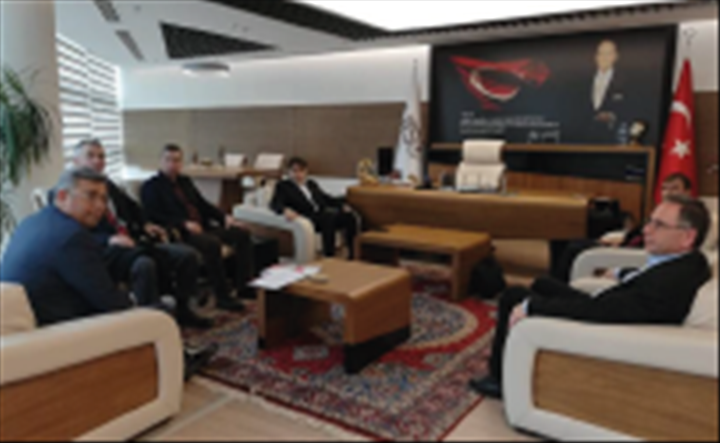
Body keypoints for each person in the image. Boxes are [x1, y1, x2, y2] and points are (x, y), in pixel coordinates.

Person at [470, 194, 712, 399]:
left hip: (600, 323)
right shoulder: (690, 264)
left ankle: (500, 379)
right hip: (607, 304)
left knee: (514, 297)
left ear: (687, 237)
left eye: (659, 225)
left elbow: (604, 312)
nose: (647, 230)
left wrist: (533, 307)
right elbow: (647, 278)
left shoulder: (671, 283)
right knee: (543, 283)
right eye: (650, 221)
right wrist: (622, 273)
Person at [1, 168, 218, 380]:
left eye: (104, 199)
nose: (100, 206)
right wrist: (138, 305)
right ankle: (176, 365)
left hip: (29, 324)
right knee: (161, 310)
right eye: (91, 196)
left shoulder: (31, 222)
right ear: (62, 196)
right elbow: (109, 302)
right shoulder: (71, 236)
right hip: (59, 327)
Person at [50, 139, 212, 329]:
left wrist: (146, 224)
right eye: (91, 156)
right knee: (145, 263)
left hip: (134, 241)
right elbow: (70, 233)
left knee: (186, 255)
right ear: (76, 161)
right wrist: (108, 239)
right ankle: (148, 324)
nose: (98, 161)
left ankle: (183, 310)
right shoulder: (67, 195)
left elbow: (133, 207)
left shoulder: (108, 185)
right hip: (106, 252)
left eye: (101, 156)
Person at [141, 144, 251, 312]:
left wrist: (225, 217)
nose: (172, 164)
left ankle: (244, 286)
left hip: (203, 226)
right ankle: (222, 296)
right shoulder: (151, 187)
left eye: (176, 160)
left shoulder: (185, 181)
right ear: (160, 161)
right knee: (212, 243)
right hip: (181, 233)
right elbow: (154, 216)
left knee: (242, 233)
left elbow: (203, 204)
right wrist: (183, 223)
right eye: (168, 160)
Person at [550, 172, 693, 282]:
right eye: (664, 189)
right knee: (562, 240)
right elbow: (638, 233)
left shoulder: (684, 216)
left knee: (574, 247)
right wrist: (621, 240)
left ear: (687, 192)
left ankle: (559, 283)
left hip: (630, 253)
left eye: (674, 188)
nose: (667, 193)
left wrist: (620, 247)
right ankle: (556, 280)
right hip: (624, 244)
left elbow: (652, 243)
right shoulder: (661, 210)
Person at [270, 157, 358, 258]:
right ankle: (329, 255)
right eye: (294, 171)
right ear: (288, 172)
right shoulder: (283, 186)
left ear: (306, 172)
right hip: (307, 218)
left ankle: (352, 253)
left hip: (321, 215)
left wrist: (342, 205)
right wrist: (285, 210)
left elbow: (326, 198)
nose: (298, 174)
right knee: (328, 216)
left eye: (301, 171)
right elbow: (275, 203)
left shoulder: (311, 184)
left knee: (349, 216)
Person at [586, 39, 627, 144]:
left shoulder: (625, 81)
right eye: (601, 53)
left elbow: (630, 109)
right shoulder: (584, 80)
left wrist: (611, 116)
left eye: (608, 54)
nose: (604, 58)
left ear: (615, 56)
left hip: (613, 139)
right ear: (596, 57)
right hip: (585, 139)